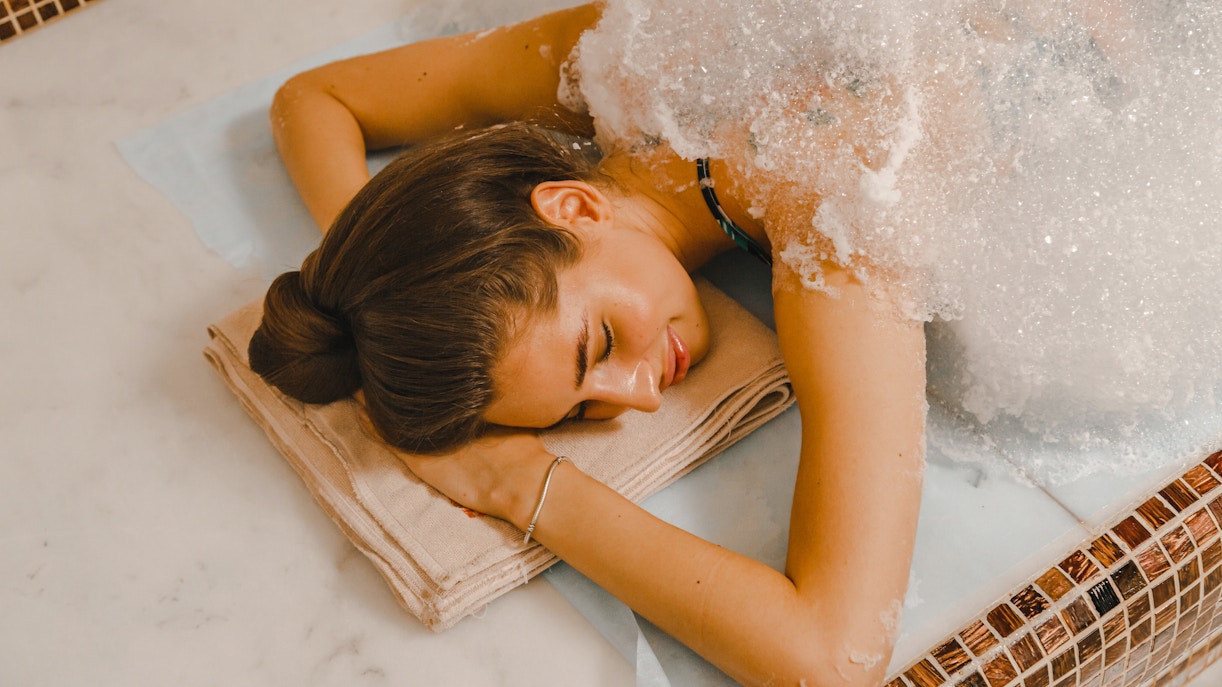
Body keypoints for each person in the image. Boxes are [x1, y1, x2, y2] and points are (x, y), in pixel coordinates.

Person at [251, 4, 926, 685]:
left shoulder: (832, 201)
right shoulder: (626, 61)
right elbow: (312, 100)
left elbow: (834, 657)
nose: (643, 396)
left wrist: (519, 486)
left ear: (573, 208)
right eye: (580, 410)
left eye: (600, 345)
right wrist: (389, 293)